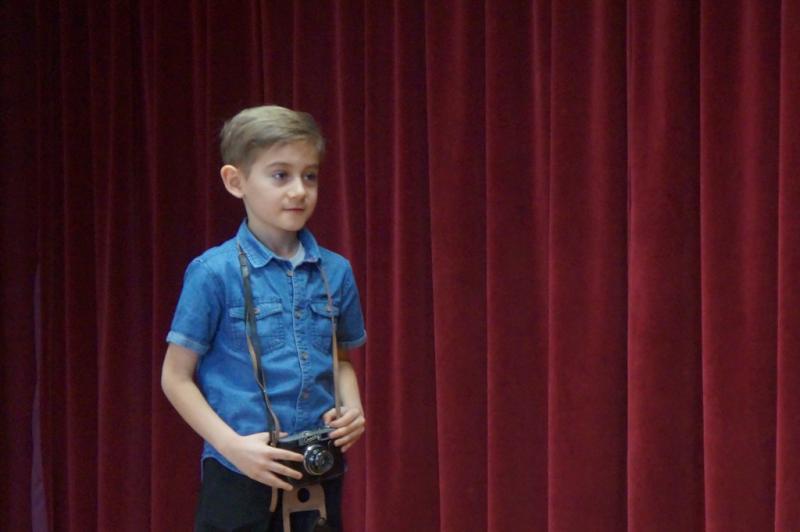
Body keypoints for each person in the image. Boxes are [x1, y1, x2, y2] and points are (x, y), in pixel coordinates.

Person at [161, 105, 367, 531]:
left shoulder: (336, 272)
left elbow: (341, 360)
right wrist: (232, 447)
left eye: (309, 176)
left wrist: (353, 408)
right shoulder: (211, 273)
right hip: (239, 472)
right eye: (280, 175)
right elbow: (175, 377)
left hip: (318, 470)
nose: (299, 191)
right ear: (235, 181)